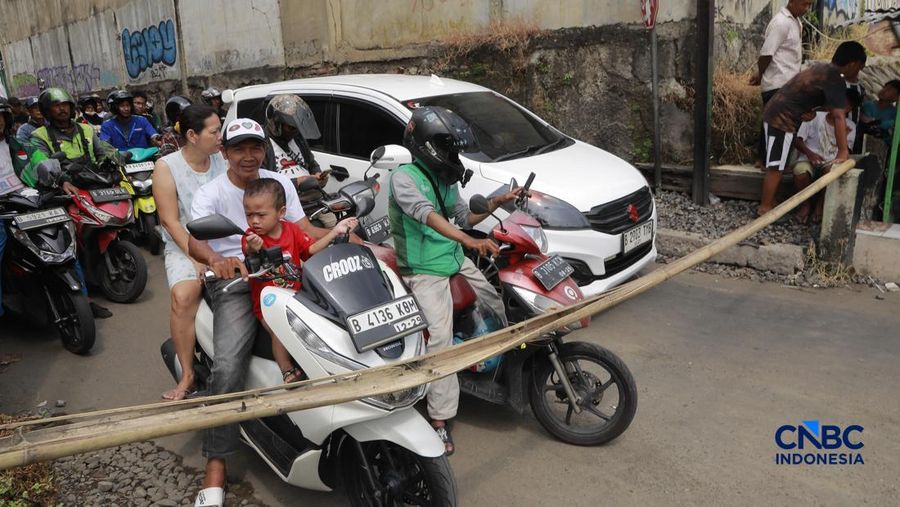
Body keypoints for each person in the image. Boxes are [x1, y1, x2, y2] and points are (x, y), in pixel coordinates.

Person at [187, 118, 327, 504]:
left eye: (255, 147)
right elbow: (194, 240)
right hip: (237, 280)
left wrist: (351, 236)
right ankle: (215, 466)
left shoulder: (278, 184)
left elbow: (303, 228)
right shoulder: (212, 192)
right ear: (224, 152)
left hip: (285, 270)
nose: (248, 156)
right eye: (238, 149)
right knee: (229, 363)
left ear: (264, 149)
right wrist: (218, 258)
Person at [388, 106, 521, 455]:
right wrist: (471, 240)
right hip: (422, 270)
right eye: (448, 149)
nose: (453, 156)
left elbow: (464, 214)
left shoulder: (444, 178)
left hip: (453, 258)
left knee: (495, 301)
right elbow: (427, 216)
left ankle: (494, 367)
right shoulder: (404, 178)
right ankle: (439, 420)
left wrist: (498, 202)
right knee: (441, 340)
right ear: (427, 146)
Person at [241, 178, 357, 382]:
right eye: (249, 215)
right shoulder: (251, 237)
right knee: (282, 329)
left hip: (297, 295)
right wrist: (254, 247)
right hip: (268, 302)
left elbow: (310, 250)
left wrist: (334, 232)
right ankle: (286, 369)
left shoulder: (292, 230)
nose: (254, 221)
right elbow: (250, 250)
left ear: (281, 212)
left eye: (261, 215)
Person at [153, 104, 228, 401]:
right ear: (193, 136)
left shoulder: (222, 159)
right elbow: (170, 220)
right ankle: (187, 373)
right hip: (185, 248)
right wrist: (198, 256)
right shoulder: (166, 167)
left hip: (224, 243)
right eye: (215, 131)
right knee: (184, 297)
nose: (221, 136)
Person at [23, 87, 116, 318]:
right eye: (56, 105)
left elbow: (102, 150)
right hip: (59, 194)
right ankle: (82, 299)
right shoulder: (39, 137)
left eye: (66, 104)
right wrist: (61, 180)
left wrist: (112, 160)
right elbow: (41, 162)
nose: (62, 108)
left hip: (92, 186)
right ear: (47, 110)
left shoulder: (86, 129)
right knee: (68, 244)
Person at [757, 41, 867, 216]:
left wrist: (805, 111)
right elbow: (839, 116)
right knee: (776, 166)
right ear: (853, 64)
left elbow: (799, 94)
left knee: (779, 163)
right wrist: (843, 152)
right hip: (782, 118)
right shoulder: (835, 80)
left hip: (779, 113)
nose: (858, 73)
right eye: (859, 68)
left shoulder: (821, 69)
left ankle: (771, 201)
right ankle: (765, 207)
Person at [750, 0, 811, 166]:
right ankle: (767, 162)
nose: (806, 9)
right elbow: (766, 53)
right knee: (776, 125)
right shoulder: (781, 22)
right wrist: (760, 74)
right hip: (777, 82)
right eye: (804, 4)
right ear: (792, 2)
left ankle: (766, 161)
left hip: (788, 83)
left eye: (809, 5)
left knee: (774, 124)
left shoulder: (796, 22)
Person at [261, 94, 334, 227]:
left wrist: (318, 176)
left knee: (338, 226)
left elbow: (312, 164)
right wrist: (297, 182)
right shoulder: (263, 145)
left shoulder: (298, 139)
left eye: (296, 128)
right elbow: (264, 185)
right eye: (290, 127)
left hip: (313, 201)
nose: (294, 132)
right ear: (276, 124)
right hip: (287, 206)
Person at [791, 88, 860, 224]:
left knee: (831, 173)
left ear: (850, 109)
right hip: (809, 158)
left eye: (846, 105)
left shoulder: (850, 126)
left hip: (831, 162)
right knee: (800, 172)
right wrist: (810, 154)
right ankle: (806, 205)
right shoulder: (815, 117)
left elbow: (847, 151)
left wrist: (844, 136)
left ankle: (820, 206)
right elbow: (797, 140)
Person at [0, 97, 30, 319]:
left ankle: (83, 297)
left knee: (63, 244)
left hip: (24, 202)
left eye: (0, 117)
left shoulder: (15, 143)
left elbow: (37, 162)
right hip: (2, 212)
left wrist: (56, 176)